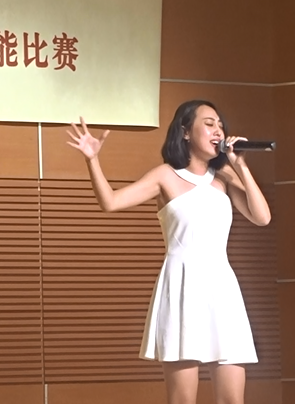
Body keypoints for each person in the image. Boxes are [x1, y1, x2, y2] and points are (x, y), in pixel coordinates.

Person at [65, 99, 272, 404]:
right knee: (182, 399)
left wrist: (240, 165)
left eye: (220, 125)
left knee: (233, 399)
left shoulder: (225, 176)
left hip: (222, 288)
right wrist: (92, 160)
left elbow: (262, 217)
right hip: (181, 286)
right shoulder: (165, 175)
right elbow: (110, 202)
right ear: (186, 132)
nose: (218, 130)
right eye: (209, 124)